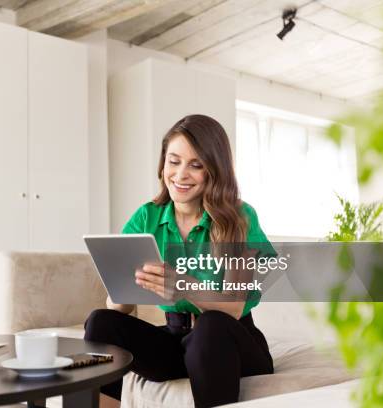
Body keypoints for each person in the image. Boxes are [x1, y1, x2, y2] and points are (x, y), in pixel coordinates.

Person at [84, 114, 275, 408]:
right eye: (174, 161)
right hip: (177, 342)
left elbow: (234, 306)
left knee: (212, 325)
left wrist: (183, 285)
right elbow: (119, 308)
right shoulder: (147, 217)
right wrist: (122, 291)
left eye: (196, 165)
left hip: (229, 344)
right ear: (163, 164)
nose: (180, 174)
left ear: (215, 171)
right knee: (100, 322)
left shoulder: (239, 217)